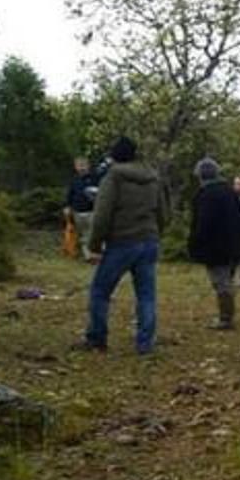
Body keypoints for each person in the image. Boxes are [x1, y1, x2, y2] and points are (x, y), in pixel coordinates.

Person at [76, 137, 168, 355]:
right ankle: (145, 344)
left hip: (122, 242)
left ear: (114, 155)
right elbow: (164, 212)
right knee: (146, 294)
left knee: (100, 291)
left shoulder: (114, 177)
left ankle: (97, 339)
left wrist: (94, 245)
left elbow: (102, 215)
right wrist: (156, 234)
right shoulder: (153, 177)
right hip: (148, 240)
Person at [188, 159, 240, 330]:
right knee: (227, 279)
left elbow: (203, 223)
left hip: (216, 247)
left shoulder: (206, 195)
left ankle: (226, 318)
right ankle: (227, 315)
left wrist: (195, 242)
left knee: (221, 282)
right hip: (233, 244)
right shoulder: (229, 191)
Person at [63, 156, 100, 261]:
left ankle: (96, 255)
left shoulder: (95, 178)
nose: (81, 168)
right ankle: (87, 256)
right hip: (77, 212)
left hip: (92, 211)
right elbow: (69, 195)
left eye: (83, 165)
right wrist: (67, 207)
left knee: (93, 233)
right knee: (83, 235)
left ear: (88, 166)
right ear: (75, 167)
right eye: (79, 165)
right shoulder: (74, 180)